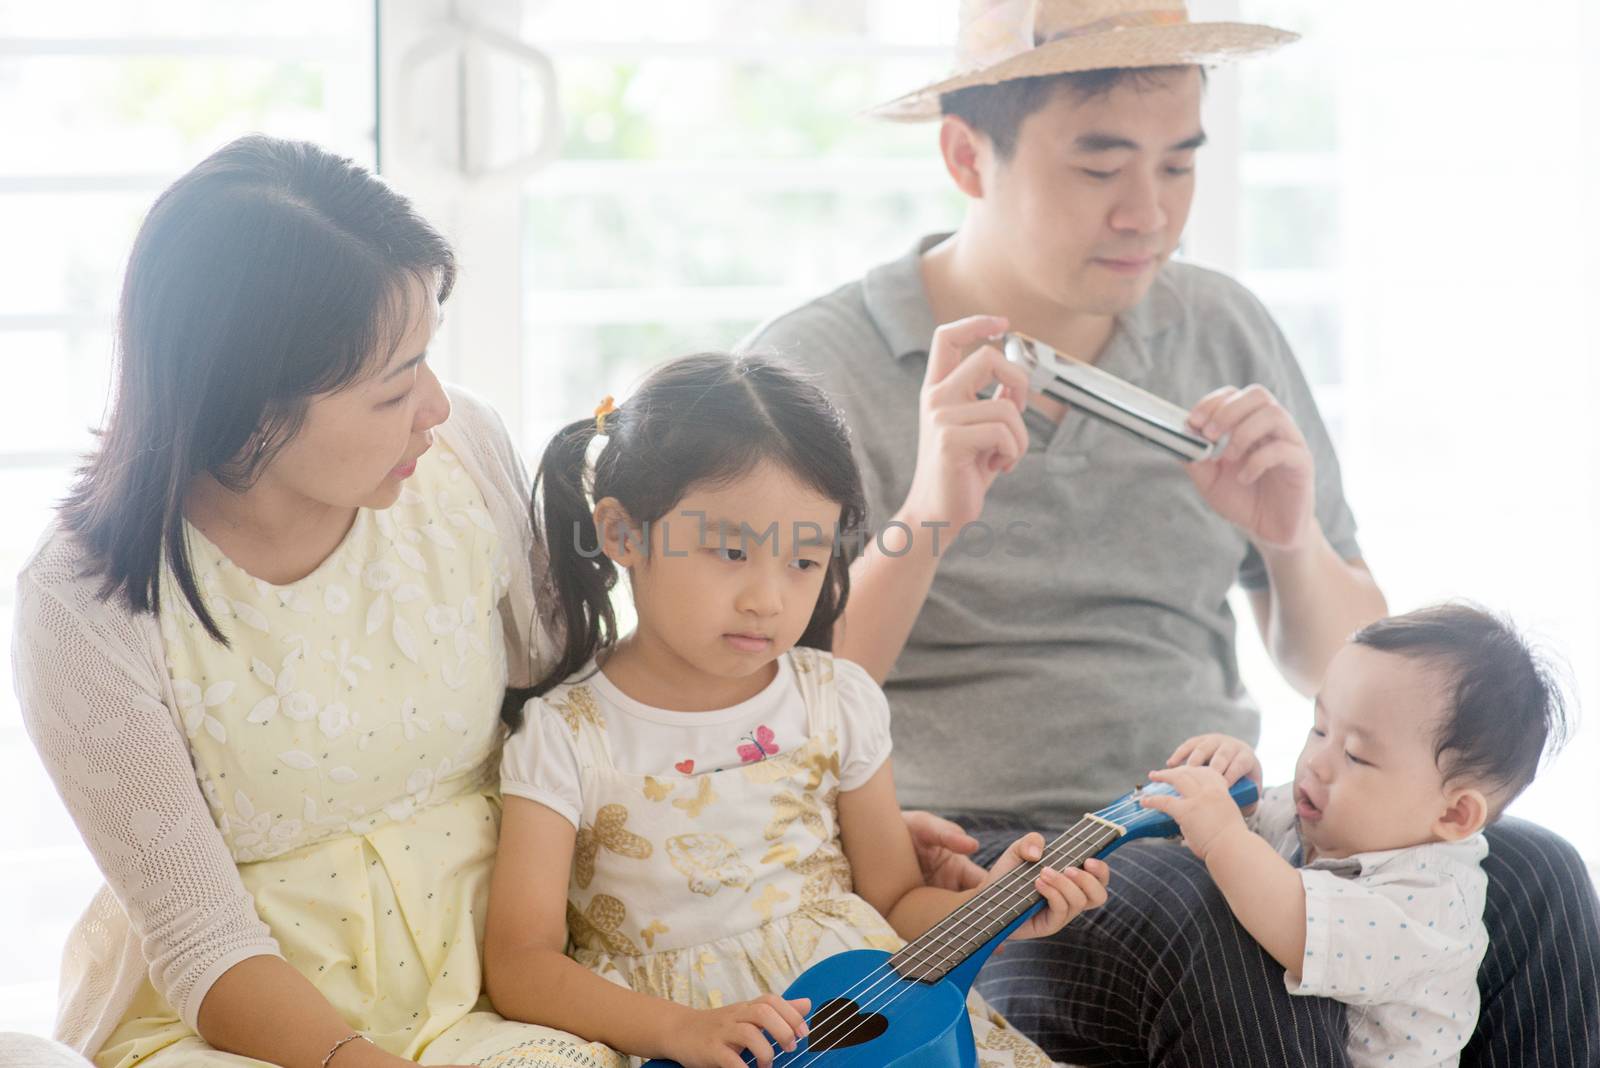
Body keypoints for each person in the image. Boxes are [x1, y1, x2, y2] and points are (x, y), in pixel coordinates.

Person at [744, 1, 1600, 1063]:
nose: (1149, 215)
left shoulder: (1221, 326)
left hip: (1227, 811)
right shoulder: (809, 374)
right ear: (967, 156)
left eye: (1179, 165)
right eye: (1100, 169)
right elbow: (769, 712)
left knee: (1535, 880)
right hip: (1003, 864)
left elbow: (1353, 675)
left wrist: (1289, 540)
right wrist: (930, 516)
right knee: (1213, 917)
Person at [12, 136, 625, 1068]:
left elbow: (577, 708)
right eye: (390, 392)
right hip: (251, 1021)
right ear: (247, 410)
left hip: (506, 970)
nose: (432, 407)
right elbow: (202, 943)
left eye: (427, 360)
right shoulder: (86, 603)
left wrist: (795, 800)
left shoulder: (460, 454)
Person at [481, 353, 1109, 1068]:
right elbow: (521, 963)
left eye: (803, 561)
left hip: (870, 1030)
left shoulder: (833, 700)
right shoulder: (566, 733)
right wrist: (679, 1030)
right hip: (681, 1038)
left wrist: (1000, 908)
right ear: (623, 534)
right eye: (731, 551)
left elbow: (898, 900)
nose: (768, 598)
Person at [1144, 604, 1570, 1067]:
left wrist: (1224, 834)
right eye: (1319, 727)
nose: (1316, 763)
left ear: (1454, 814)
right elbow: (1223, 858)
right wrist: (1234, 803)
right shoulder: (1313, 810)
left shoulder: (1429, 906)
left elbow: (1294, 924)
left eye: (1356, 756)